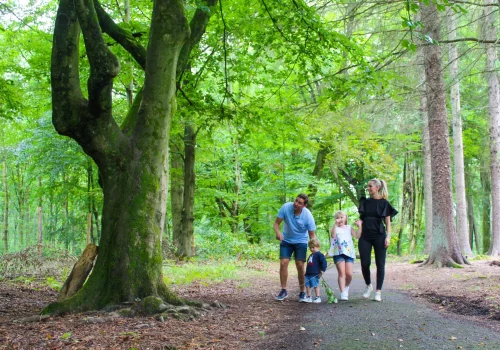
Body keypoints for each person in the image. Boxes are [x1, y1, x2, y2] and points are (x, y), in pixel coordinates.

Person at [357, 178, 398, 302]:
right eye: (368, 186)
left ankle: (378, 291)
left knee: (380, 264)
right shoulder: (365, 202)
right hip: (365, 236)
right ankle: (368, 285)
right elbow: (362, 218)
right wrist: (358, 225)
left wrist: (388, 236)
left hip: (379, 235)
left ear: (377, 187)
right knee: (365, 262)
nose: (368, 188)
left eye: (370, 186)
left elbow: (387, 221)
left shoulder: (384, 203)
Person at [274, 193, 317, 302]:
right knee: (283, 263)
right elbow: (276, 224)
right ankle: (283, 290)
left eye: (300, 203)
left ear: (304, 205)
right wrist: (278, 233)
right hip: (286, 240)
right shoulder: (286, 207)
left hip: (301, 241)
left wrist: (315, 250)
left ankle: (302, 292)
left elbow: (312, 235)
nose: (296, 203)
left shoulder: (307, 216)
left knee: (300, 265)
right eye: (296, 201)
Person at [330, 210, 361, 301]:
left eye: (341, 217)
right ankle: (343, 292)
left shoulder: (349, 227)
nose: (339, 219)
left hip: (349, 253)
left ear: (345, 218)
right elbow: (332, 235)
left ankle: (346, 286)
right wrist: (335, 224)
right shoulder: (335, 228)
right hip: (338, 253)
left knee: (349, 274)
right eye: (337, 218)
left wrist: (360, 226)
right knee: (342, 273)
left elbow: (357, 236)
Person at [303, 238, 327, 303]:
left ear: (318, 246)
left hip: (315, 273)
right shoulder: (311, 255)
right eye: (310, 248)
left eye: (313, 247)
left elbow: (324, 263)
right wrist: (306, 272)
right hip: (308, 274)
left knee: (315, 285)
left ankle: (318, 297)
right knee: (307, 285)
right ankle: (309, 297)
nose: (311, 249)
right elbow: (309, 264)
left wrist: (322, 271)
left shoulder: (320, 255)